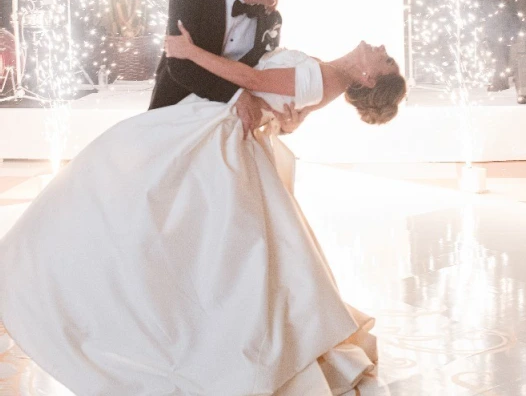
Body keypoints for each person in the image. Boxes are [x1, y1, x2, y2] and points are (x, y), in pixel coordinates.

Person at [0, 40, 406, 396]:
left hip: (218, 135)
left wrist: (191, 51)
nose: (383, 50)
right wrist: (278, 113)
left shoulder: (324, 79)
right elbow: (286, 111)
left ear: (369, 79)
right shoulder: (327, 75)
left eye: (386, 61)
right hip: (217, 123)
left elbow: (252, 79)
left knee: (148, 207)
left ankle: (80, 290)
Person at [149, 0, 297, 136]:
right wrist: (236, 95)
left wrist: (283, 118)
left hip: (231, 126)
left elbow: (262, 76)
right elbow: (180, 66)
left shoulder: (271, 19)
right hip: (175, 113)